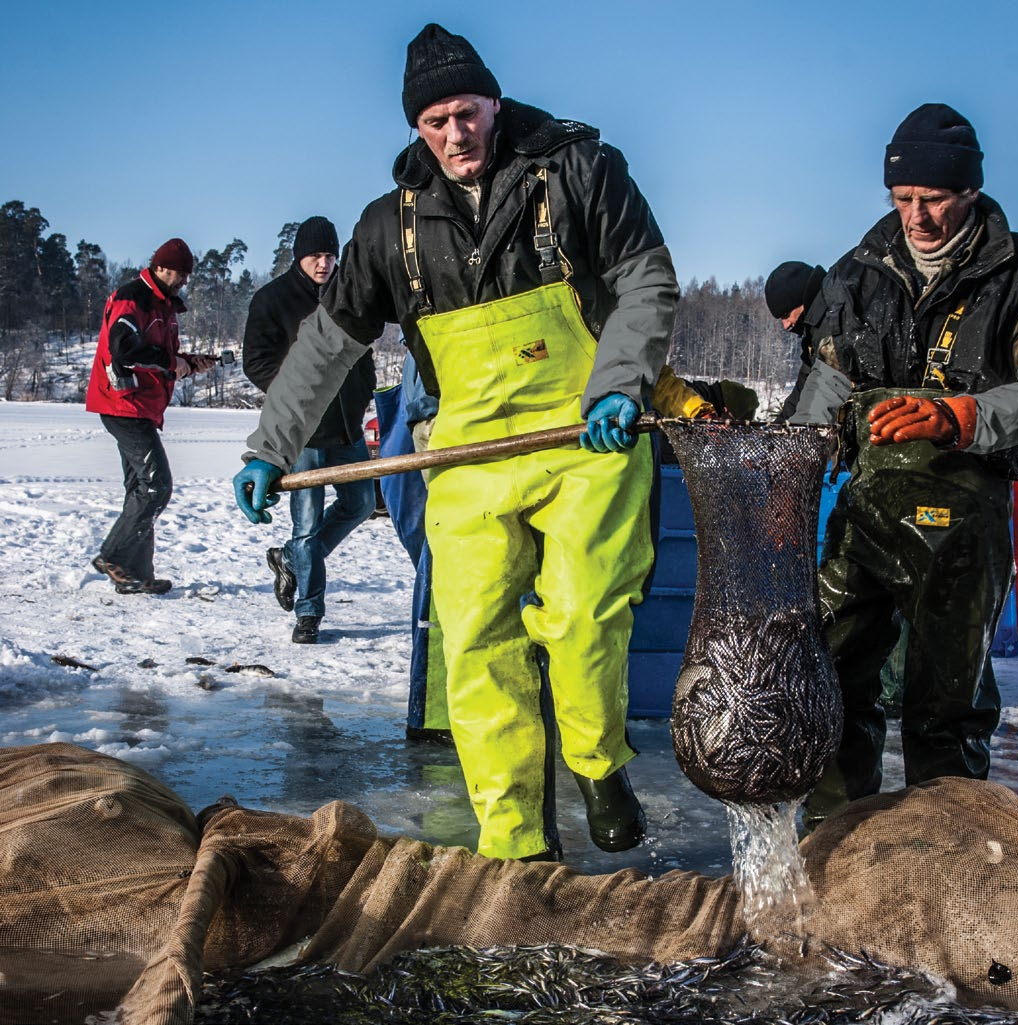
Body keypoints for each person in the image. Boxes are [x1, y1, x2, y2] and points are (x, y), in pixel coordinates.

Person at [233, 23, 687, 861]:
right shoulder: (389, 227)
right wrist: (268, 445)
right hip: (466, 452)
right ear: (416, 127)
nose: (455, 133)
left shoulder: (581, 173)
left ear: (493, 102)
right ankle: (514, 837)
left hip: (583, 436)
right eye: (436, 119)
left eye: (467, 111)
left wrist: (619, 384)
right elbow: (329, 345)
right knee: (475, 642)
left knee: (583, 614)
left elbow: (646, 281)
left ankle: (594, 760)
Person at [790, 103, 1018, 832]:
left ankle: (947, 859)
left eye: (934, 199)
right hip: (866, 513)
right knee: (830, 672)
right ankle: (834, 843)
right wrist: (789, 468)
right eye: (902, 199)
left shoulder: (1016, 276)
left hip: (964, 514)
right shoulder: (855, 276)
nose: (917, 216)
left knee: (945, 701)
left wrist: (963, 417)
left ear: (971, 191)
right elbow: (825, 387)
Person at [242, 216, 377, 644]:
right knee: (307, 526)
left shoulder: (345, 294)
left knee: (360, 504)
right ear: (298, 256)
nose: (324, 264)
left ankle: (288, 558)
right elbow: (256, 361)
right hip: (304, 434)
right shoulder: (272, 299)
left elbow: (361, 351)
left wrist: (363, 390)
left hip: (348, 428)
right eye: (316, 256)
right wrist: (298, 394)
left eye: (330, 255)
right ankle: (308, 612)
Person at [86, 238, 218, 595]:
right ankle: (112, 555)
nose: (185, 281)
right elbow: (123, 349)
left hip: (138, 405)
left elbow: (160, 353)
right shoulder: (133, 298)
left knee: (140, 489)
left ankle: (135, 576)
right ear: (161, 268)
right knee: (157, 486)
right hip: (122, 404)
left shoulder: (162, 306)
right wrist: (169, 362)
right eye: (181, 274)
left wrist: (188, 363)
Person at [764, 260, 827, 422]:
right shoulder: (814, 336)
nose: (786, 325)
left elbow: (826, 391)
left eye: (786, 315)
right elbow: (802, 388)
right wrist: (779, 428)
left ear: (801, 300)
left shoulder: (831, 324)